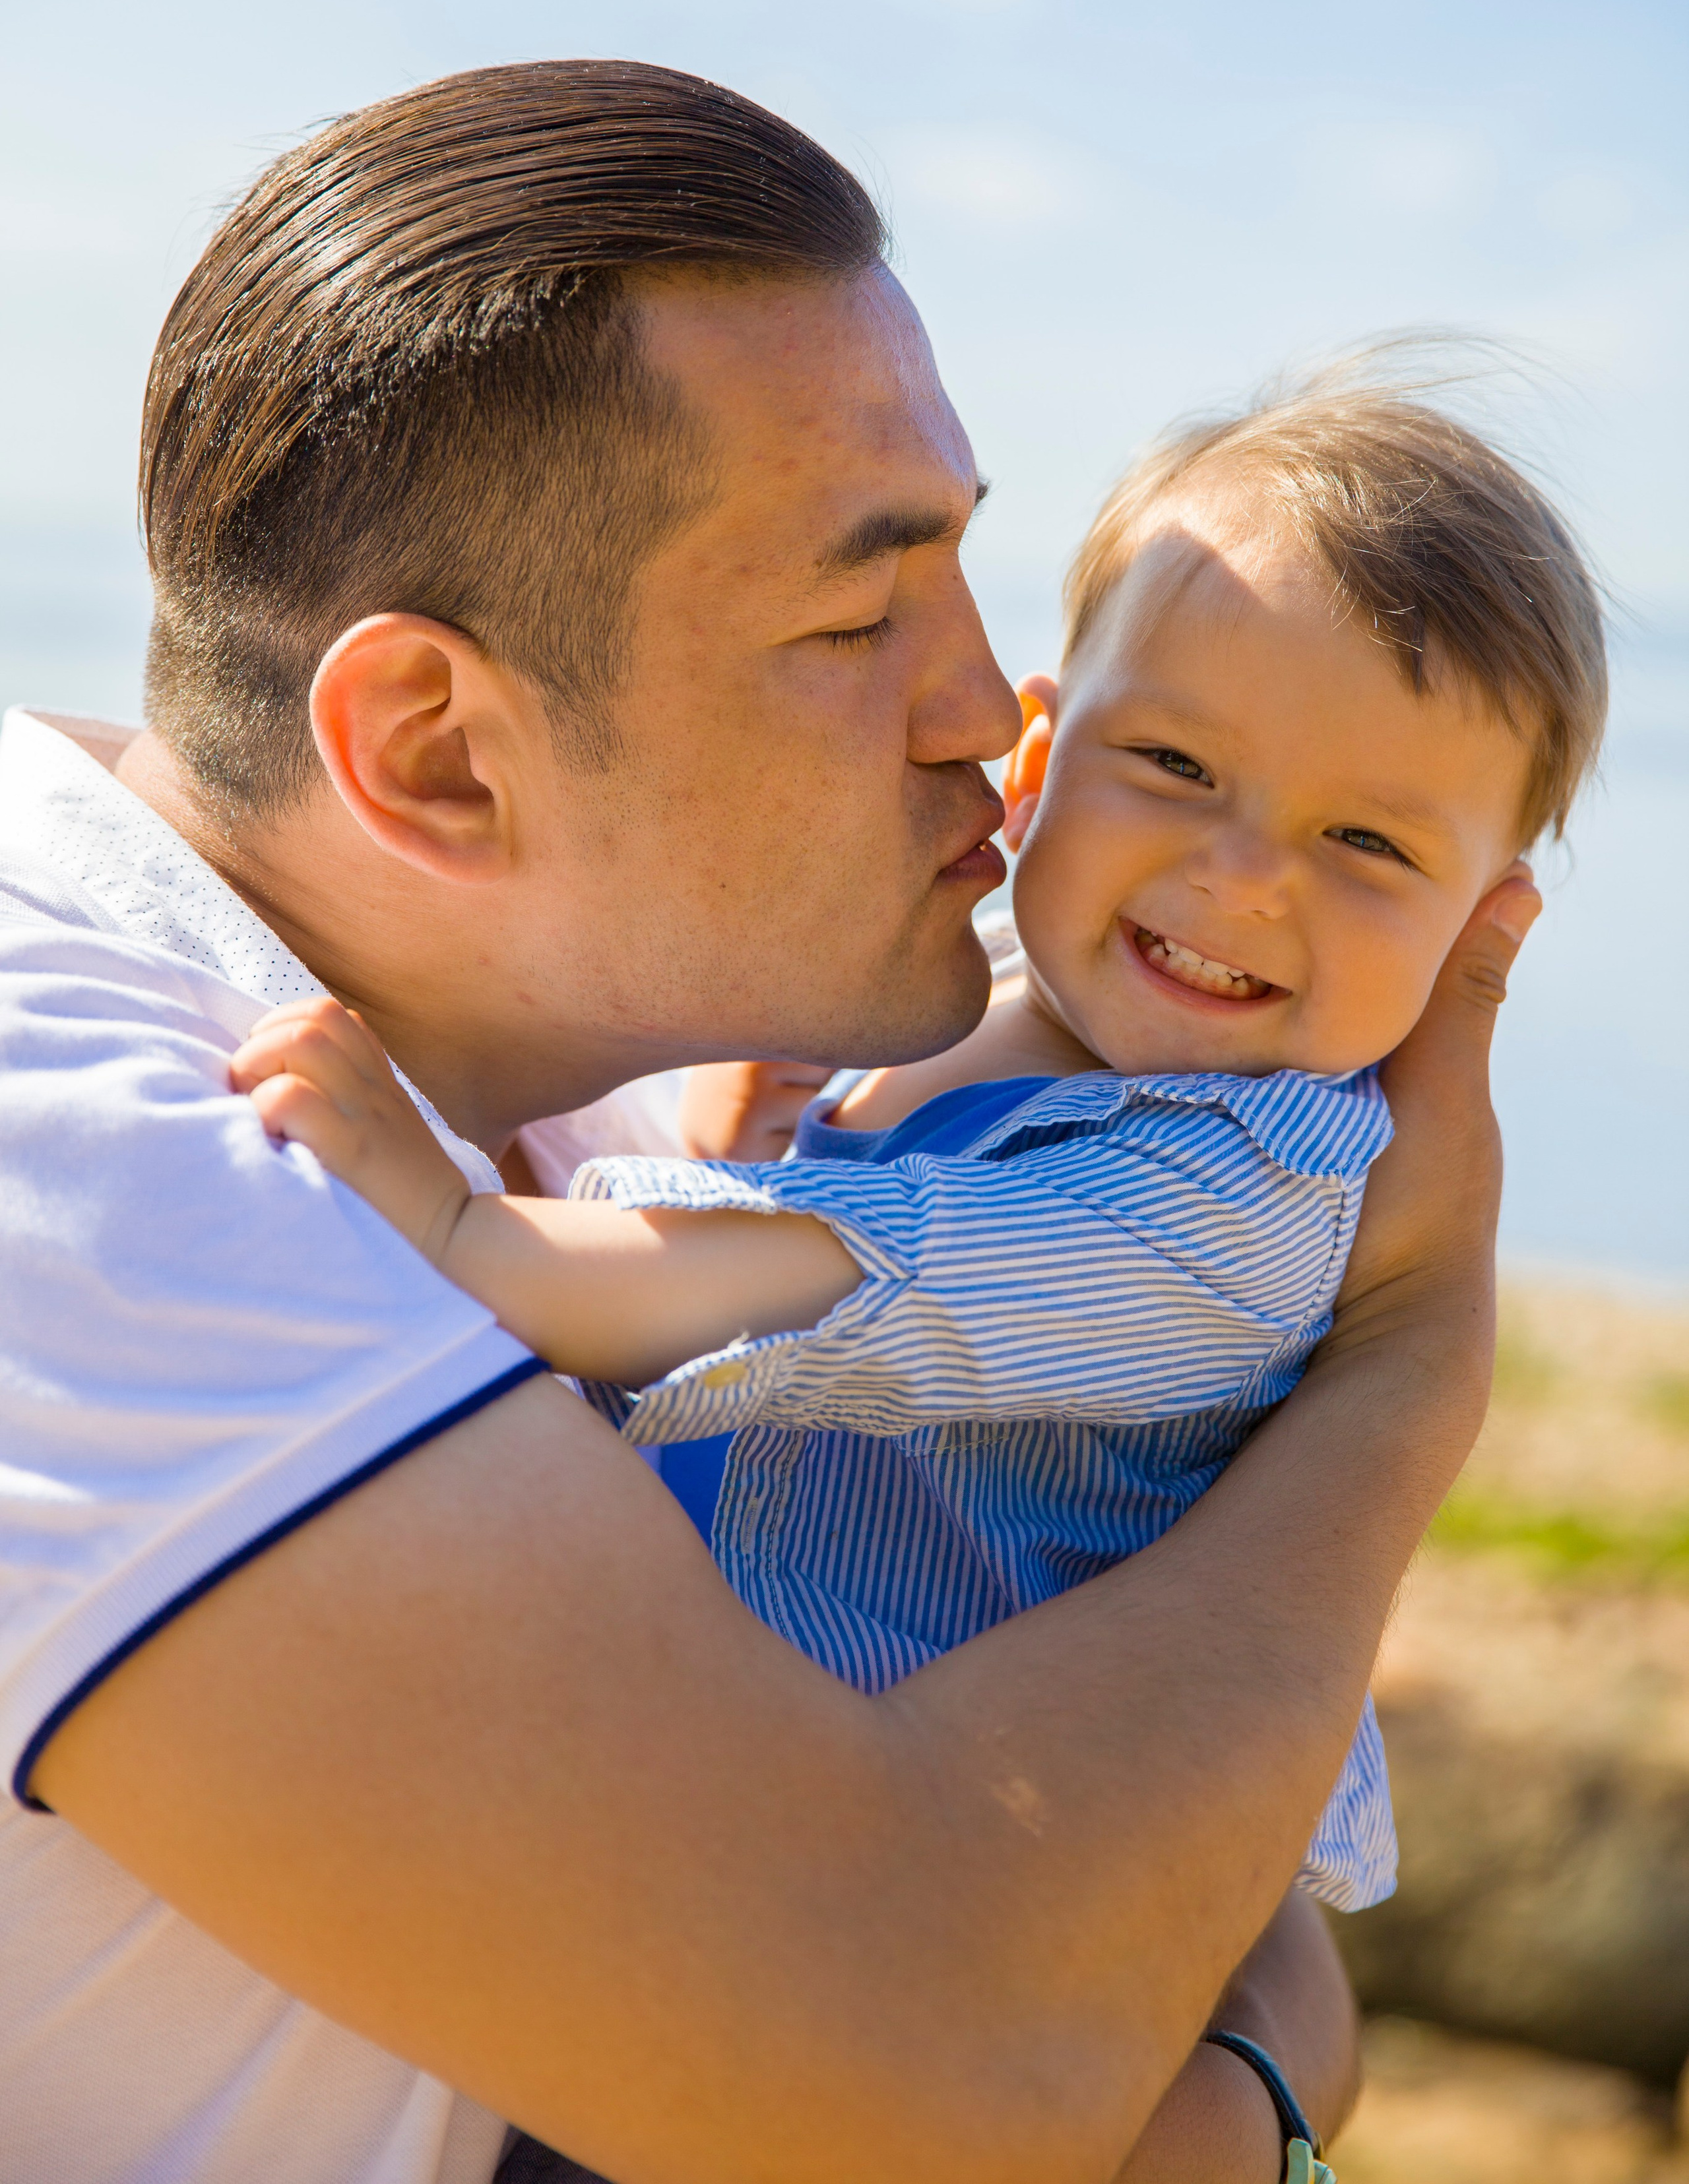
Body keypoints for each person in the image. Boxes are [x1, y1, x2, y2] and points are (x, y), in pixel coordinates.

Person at [0, 59, 1538, 2184]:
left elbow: (1220, 1927)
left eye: (967, 569)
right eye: (859, 614)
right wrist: (1406, 1366)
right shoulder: (107, 1172)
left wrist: (1231, 2080)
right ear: (436, 753)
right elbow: (940, 2089)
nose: (989, 711)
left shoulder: (608, 1083)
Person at [230, 365, 1604, 1929]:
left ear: (1483, 922)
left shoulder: (1246, 1198)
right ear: (1036, 764)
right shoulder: (998, 986)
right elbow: (826, 1205)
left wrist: (460, 1232)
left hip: (933, 1872)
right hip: (719, 1761)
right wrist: (764, 1136)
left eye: (1364, 842)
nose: (1240, 876)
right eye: (1174, 767)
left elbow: (859, 1281)